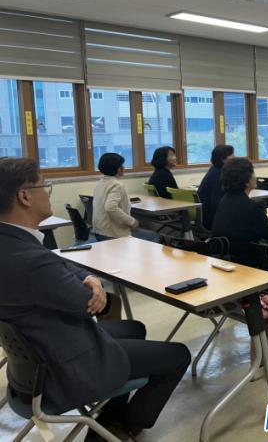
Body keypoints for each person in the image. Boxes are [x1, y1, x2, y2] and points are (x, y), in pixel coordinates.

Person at [0, 157, 190, 441]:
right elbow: (86, 304)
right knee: (178, 355)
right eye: (45, 186)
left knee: (134, 328)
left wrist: (90, 277)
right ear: (25, 196)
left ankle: (110, 416)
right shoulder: (29, 260)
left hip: (36, 360)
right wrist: (91, 286)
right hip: (65, 366)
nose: (48, 192)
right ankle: (125, 425)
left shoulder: (13, 242)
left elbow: (58, 263)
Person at [211, 158, 268, 265]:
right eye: (253, 172)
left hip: (222, 258)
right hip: (244, 262)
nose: (255, 176)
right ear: (246, 181)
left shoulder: (225, 200)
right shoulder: (251, 207)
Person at [92, 153, 140, 241]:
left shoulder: (100, 183)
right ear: (118, 168)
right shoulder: (117, 185)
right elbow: (110, 207)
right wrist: (132, 221)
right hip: (113, 234)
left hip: (99, 231)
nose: (124, 168)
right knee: (153, 236)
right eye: (122, 165)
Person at [197, 145, 234, 229]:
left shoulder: (214, 169)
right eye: (232, 155)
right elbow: (217, 201)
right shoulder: (219, 174)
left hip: (205, 215)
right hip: (212, 219)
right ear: (223, 159)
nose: (234, 157)